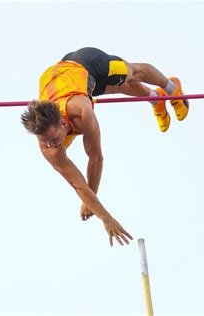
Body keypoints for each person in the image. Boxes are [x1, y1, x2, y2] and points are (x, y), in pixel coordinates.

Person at [20, 47, 189, 246]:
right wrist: (102, 214)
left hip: (88, 62)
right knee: (114, 87)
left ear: (63, 123)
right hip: (64, 80)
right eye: (46, 141)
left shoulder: (82, 112)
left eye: (54, 139)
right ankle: (155, 99)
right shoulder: (47, 147)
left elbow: (96, 158)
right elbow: (77, 184)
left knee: (130, 75)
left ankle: (170, 88)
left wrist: (92, 199)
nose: (51, 144)